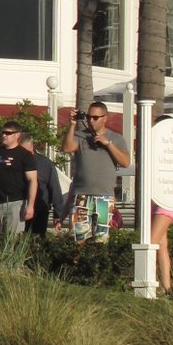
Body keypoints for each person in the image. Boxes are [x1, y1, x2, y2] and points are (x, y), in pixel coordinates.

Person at [62, 99, 132, 245]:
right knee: (78, 240)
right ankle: (78, 266)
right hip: (82, 195)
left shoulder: (115, 138)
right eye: (88, 117)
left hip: (104, 197)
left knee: (101, 240)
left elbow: (125, 162)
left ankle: (96, 266)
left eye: (95, 117)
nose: (91, 120)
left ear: (105, 118)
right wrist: (72, 125)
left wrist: (108, 144)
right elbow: (67, 148)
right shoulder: (81, 136)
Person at [0, 120, 37, 238]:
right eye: (3, 133)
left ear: (17, 135)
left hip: (16, 203)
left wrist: (30, 205)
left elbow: (32, 180)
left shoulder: (25, 155)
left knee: (12, 239)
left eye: (8, 133)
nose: (4, 135)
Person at [22, 133, 67, 239]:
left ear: (31, 147)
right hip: (18, 209)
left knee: (36, 241)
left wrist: (58, 214)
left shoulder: (45, 164)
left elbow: (54, 188)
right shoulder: (17, 162)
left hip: (39, 210)